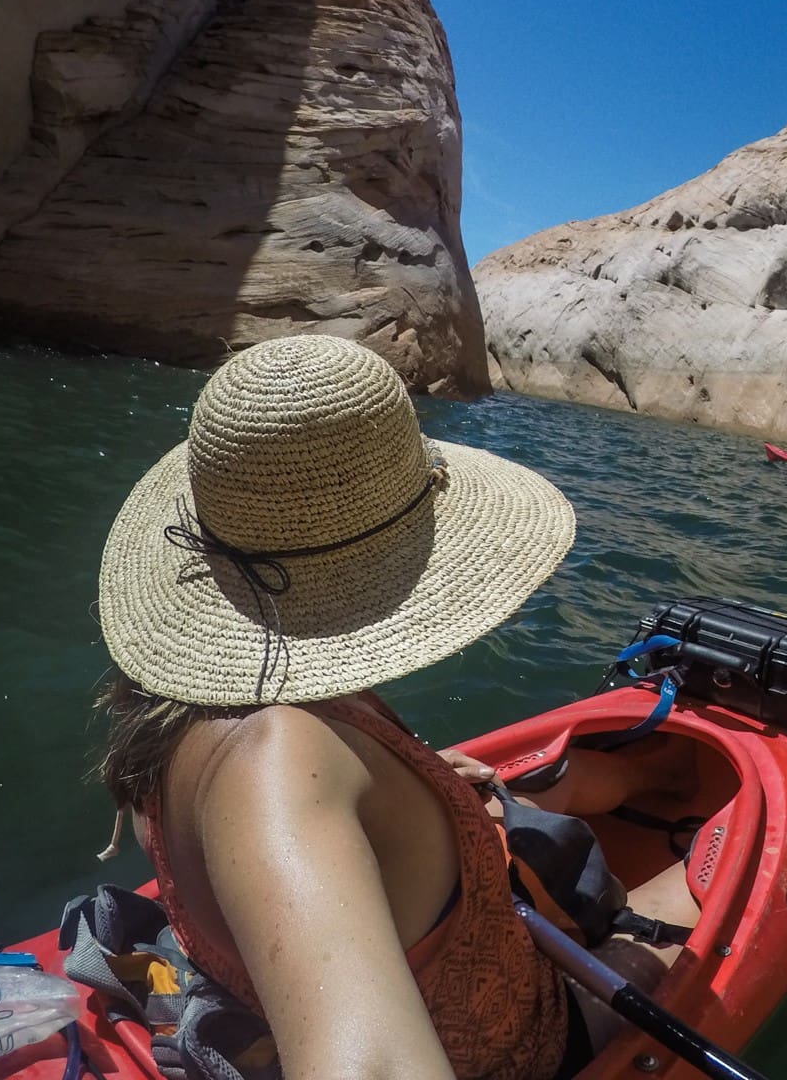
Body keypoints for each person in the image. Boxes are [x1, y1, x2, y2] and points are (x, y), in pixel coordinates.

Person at [91, 333, 687, 1080]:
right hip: (522, 1045)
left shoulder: (173, 711)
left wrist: (417, 789)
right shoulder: (277, 760)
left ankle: (650, 779)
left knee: (552, 791)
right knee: (697, 889)